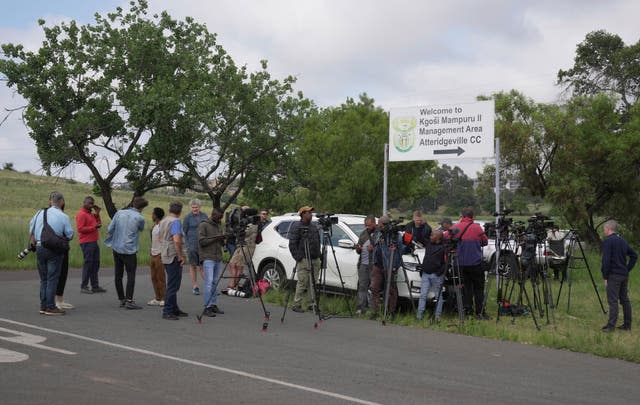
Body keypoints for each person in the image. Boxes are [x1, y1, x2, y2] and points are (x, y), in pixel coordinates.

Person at [29, 191, 74, 315]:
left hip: (39, 247)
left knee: (44, 279)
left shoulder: (39, 212)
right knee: (52, 278)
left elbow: (31, 229)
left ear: (50, 201)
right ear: (61, 202)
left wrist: (33, 241)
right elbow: (70, 235)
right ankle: (50, 306)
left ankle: (43, 306)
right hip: (54, 250)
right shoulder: (63, 216)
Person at [104, 196, 148, 309]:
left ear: (133, 203)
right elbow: (141, 229)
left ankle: (121, 299)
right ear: (142, 207)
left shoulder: (119, 213)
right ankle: (129, 299)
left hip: (117, 246)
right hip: (129, 248)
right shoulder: (140, 218)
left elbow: (110, 228)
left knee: (118, 274)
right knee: (131, 274)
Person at [449, 207, 489, 320]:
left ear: (462, 216)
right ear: (473, 216)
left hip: (460, 264)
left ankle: (468, 310)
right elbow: (485, 242)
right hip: (475, 263)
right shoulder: (477, 228)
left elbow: (447, 237)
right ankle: (480, 312)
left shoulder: (455, 227)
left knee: (466, 288)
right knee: (479, 289)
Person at [601, 220, 637, 332]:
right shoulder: (623, 241)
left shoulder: (608, 242)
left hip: (613, 275)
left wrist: (605, 276)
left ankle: (611, 326)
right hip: (623, 275)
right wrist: (627, 269)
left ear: (608, 229)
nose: (604, 231)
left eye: (604, 229)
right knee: (624, 299)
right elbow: (634, 255)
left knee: (612, 301)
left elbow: (606, 261)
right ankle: (627, 325)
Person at [289, 205, 321, 313]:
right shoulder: (297, 226)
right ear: (303, 214)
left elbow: (318, 241)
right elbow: (292, 244)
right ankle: (296, 304)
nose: (311, 215)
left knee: (313, 282)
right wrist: (298, 257)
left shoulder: (313, 226)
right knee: (303, 282)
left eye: (311, 213)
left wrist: (319, 255)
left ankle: (311, 304)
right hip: (303, 258)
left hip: (315, 258)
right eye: (308, 213)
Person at [369, 216, 403, 319]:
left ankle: (391, 312)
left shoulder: (395, 236)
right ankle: (375, 311)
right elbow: (376, 246)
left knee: (391, 289)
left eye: (380, 225)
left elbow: (399, 252)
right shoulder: (379, 234)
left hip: (389, 265)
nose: (378, 227)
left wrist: (395, 266)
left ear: (385, 225)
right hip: (377, 264)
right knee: (374, 288)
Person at [160, 201, 187, 320]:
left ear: (169, 209)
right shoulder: (175, 222)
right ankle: (167, 310)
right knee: (173, 284)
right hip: (173, 254)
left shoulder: (164, 220)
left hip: (165, 252)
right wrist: (180, 255)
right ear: (180, 211)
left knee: (172, 282)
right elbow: (176, 239)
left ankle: (174, 308)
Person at [76, 196, 106, 294]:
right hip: (86, 242)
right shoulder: (81, 214)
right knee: (88, 264)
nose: (91, 205)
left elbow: (99, 224)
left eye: (92, 203)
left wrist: (97, 214)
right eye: (89, 203)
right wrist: (94, 227)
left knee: (95, 264)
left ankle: (95, 286)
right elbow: (80, 229)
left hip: (93, 241)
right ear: (84, 202)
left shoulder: (91, 214)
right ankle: (84, 286)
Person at [199, 208, 226, 317]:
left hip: (218, 257)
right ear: (213, 215)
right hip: (208, 257)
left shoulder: (219, 225)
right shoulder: (204, 225)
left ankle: (213, 304)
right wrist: (216, 238)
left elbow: (221, 243)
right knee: (209, 283)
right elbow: (202, 241)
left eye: (221, 218)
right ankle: (207, 306)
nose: (220, 219)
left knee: (215, 282)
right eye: (219, 217)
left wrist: (223, 239)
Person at [226, 206, 258, 292]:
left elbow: (243, 233)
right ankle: (233, 283)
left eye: (243, 211)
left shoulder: (253, 224)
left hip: (247, 246)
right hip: (240, 245)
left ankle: (232, 285)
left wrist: (238, 228)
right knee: (232, 263)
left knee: (239, 265)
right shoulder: (245, 221)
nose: (241, 213)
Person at [416, 230, 446, 321]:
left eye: (432, 235)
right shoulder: (429, 244)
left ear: (438, 237)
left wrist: (439, 272)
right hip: (426, 273)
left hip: (436, 275)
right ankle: (419, 315)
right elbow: (421, 235)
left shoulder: (443, 248)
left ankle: (437, 317)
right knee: (423, 295)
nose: (430, 237)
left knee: (438, 296)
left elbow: (446, 263)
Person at [183, 199, 208, 295]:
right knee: (193, 266)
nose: (194, 209)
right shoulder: (187, 217)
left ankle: (209, 286)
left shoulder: (204, 216)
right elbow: (184, 232)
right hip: (191, 245)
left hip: (202, 246)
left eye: (196, 207)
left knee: (202, 266)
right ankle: (195, 286)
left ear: (199, 207)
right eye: (193, 207)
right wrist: (187, 246)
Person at [354, 215, 377, 315]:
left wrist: (374, 249)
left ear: (374, 223)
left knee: (373, 288)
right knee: (362, 286)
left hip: (373, 265)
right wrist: (358, 249)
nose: (367, 227)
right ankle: (361, 307)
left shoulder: (378, 233)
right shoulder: (363, 234)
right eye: (365, 225)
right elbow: (358, 249)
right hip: (363, 264)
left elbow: (382, 248)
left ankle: (372, 309)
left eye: (369, 225)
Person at [147, 207, 166, 306]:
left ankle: (164, 298)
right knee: (153, 277)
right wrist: (151, 249)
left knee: (161, 277)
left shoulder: (162, 226)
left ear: (156, 215)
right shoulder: (154, 226)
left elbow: (164, 241)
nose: (152, 215)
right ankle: (157, 297)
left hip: (160, 255)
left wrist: (162, 253)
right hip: (153, 254)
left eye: (153, 214)